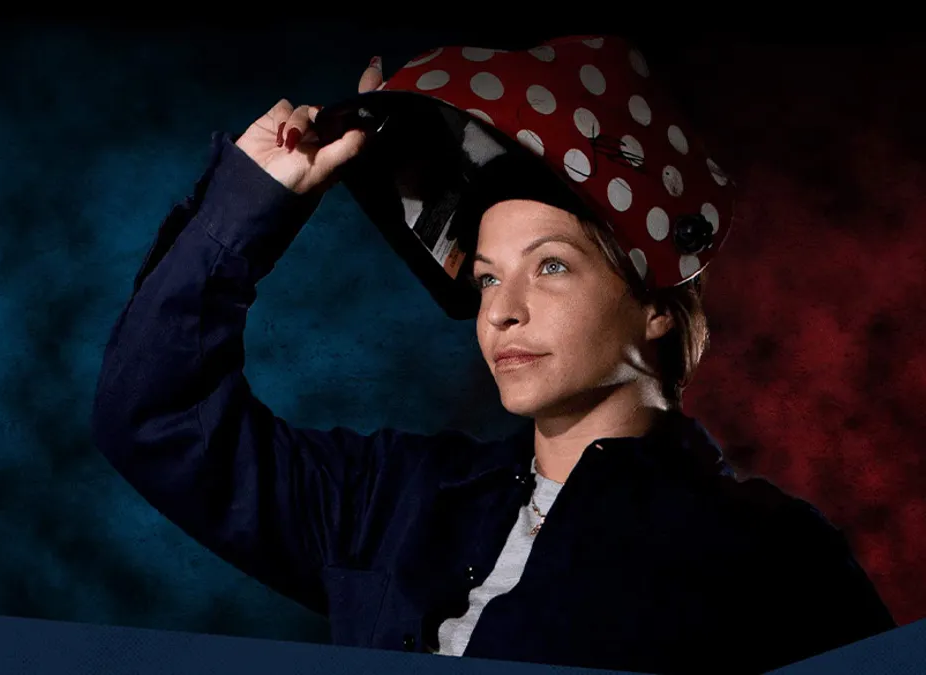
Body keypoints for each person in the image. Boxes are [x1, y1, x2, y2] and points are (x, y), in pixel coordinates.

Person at [91, 35, 896, 674]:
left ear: (655, 305)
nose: (500, 312)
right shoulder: (393, 498)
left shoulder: (771, 561)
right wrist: (251, 202)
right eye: (484, 278)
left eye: (549, 265)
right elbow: (154, 414)